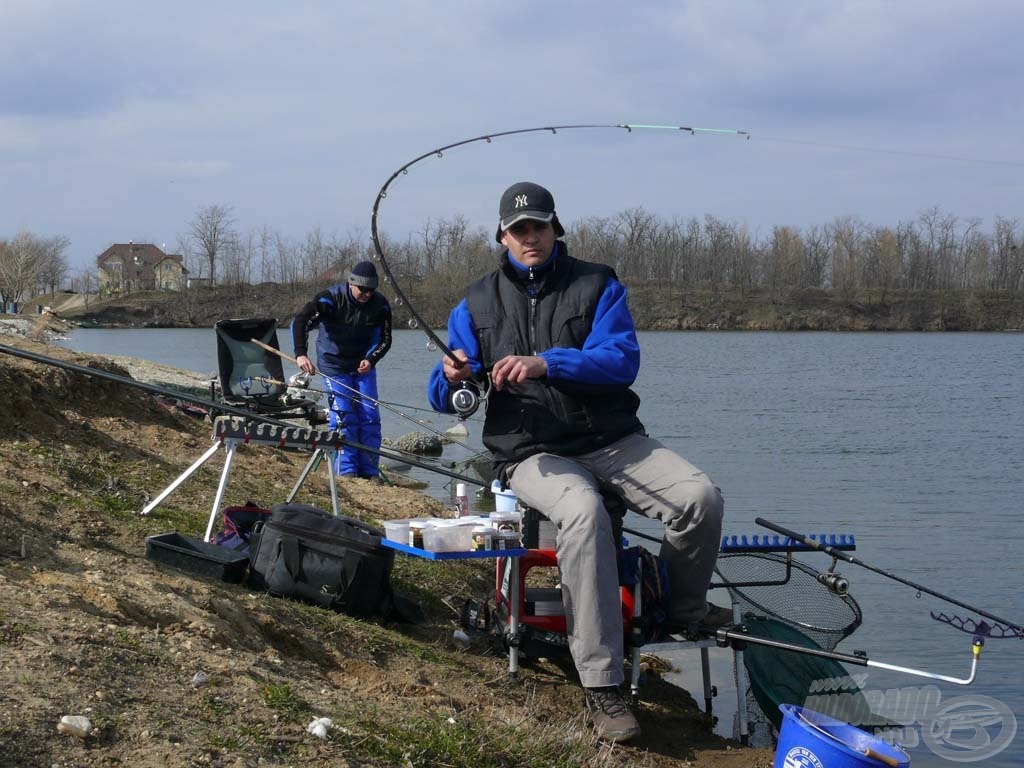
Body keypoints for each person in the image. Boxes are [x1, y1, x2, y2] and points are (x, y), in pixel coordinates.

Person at [427, 182, 728, 742]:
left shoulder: (599, 284)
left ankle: (681, 612)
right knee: (584, 513)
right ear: (502, 236)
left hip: (613, 439)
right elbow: (445, 393)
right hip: (529, 451)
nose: (530, 237)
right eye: (519, 230)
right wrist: (450, 377)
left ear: (555, 229)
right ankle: (603, 685)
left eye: (538, 226)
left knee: (699, 498)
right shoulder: (474, 302)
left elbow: (620, 362)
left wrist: (547, 364)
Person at [293, 261, 392, 479]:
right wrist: (301, 354)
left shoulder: (380, 306)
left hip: (362, 366)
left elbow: (385, 339)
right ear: (351, 284)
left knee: (370, 416)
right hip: (334, 365)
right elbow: (300, 322)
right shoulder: (329, 299)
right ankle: (345, 472)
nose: (366, 294)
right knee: (344, 416)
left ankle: (369, 472)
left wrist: (371, 359)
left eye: (371, 290)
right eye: (362, 290)